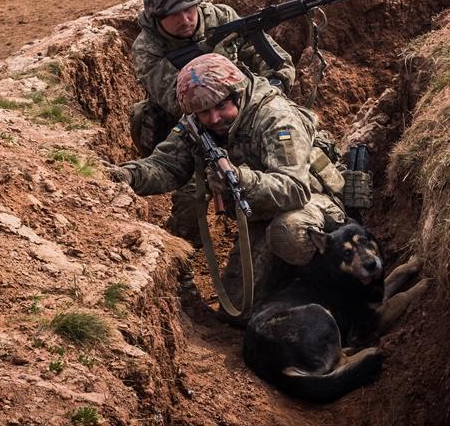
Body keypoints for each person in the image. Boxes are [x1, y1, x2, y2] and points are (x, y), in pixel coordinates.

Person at [110, 54, 346, 301]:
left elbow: (295, 189)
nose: (213, 119)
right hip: (261, 214)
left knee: (288, 232)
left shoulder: (275, 117)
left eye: (221, 107)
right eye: (204, 112)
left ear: (239, 95)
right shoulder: (196, 123)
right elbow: (167, 165)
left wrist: (241, 179)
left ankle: (330, 288)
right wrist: (128, 175)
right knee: (238, 306)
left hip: (313, 205)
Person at [129, 0, 296, 240]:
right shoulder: (148, 48)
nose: (185, 19)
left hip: (242, 109)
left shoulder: (222, 18)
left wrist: (267, 97)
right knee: (191, 198)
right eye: (174, 14)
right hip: (191, 124)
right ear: (156, 16)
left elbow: (277, 63)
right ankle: (184, 257)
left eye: (190, 8)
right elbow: (180, 101)